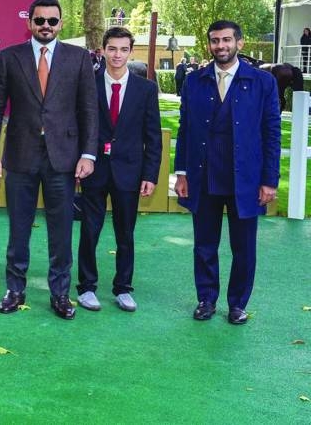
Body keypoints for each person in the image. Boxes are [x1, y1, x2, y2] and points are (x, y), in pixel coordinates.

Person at [0, 0, 98, 320]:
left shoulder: (78, 58)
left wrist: (88, 153)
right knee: (18, 227)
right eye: (40, 20)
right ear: (30, 23)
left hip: (63, 158)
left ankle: (60, 294)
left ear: (61, 23)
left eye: (52, 21)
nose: (46, 26)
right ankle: (15, 289)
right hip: (20, 155)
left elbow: (89, 109)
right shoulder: (9, 57)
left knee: (61, 228)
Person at [174, 20, 280, 325]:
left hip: (245, 180)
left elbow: (271, 133)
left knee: (244, 247)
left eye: (226, 40)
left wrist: (269, 181)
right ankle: (206, 299)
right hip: (203, 176)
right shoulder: (194, 82)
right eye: (214, 41)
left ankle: (237, 304)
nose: (220, 46)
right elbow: (186, 130)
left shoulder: (262, 83)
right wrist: (181, 173)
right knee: (204, 244)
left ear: (240, 44)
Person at [76, 26, 161, 313]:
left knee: (125, 232)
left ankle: (123, 288)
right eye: (112, 48)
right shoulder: (88, 83)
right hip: (94, 169)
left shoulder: (146, 89)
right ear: (102, 50)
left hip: (130, 172)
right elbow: (78, 126)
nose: (117, 54)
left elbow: (153, 136)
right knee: (90, 229)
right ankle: (86, 287)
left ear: (130, 52)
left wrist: (150, 175)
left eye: (123, 49)